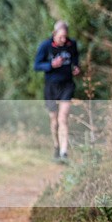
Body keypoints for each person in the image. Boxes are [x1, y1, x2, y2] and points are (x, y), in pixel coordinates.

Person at [33, 20, 81, 162]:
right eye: (60, 37)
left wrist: (76, 66)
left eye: (65, 37)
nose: (63, 40)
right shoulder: (45, 46)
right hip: (51, 86)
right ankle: (56, 145)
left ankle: (64, 152)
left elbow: (75, 57)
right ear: (54, 34)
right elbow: (36, 65)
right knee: (54, 120)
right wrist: (51, 65)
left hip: (67, 85)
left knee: (63, 118)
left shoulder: (71, 44)